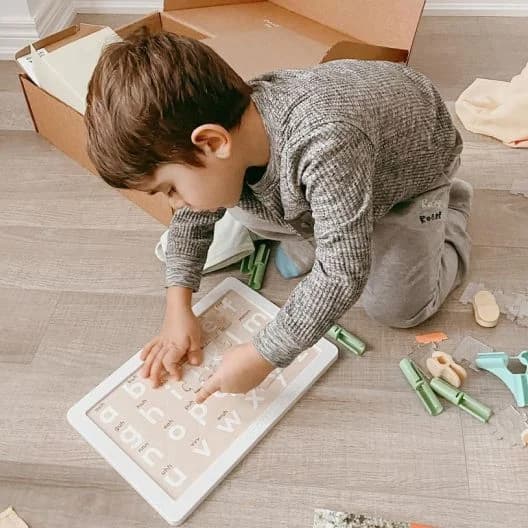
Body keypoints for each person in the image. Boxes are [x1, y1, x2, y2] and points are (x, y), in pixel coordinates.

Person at [85, 31, 472, 404]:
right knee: (223, 203)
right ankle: (323, 226)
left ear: (213, 142)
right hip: (338, 173)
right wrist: (178, 307)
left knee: (397, 309)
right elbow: (191, 218)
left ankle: (450, 209)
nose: (175, 204)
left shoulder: (326, 142)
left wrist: (263, 355)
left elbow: (343, 274)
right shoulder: (230, 135)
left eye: (170, 189)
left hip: (413, 174)